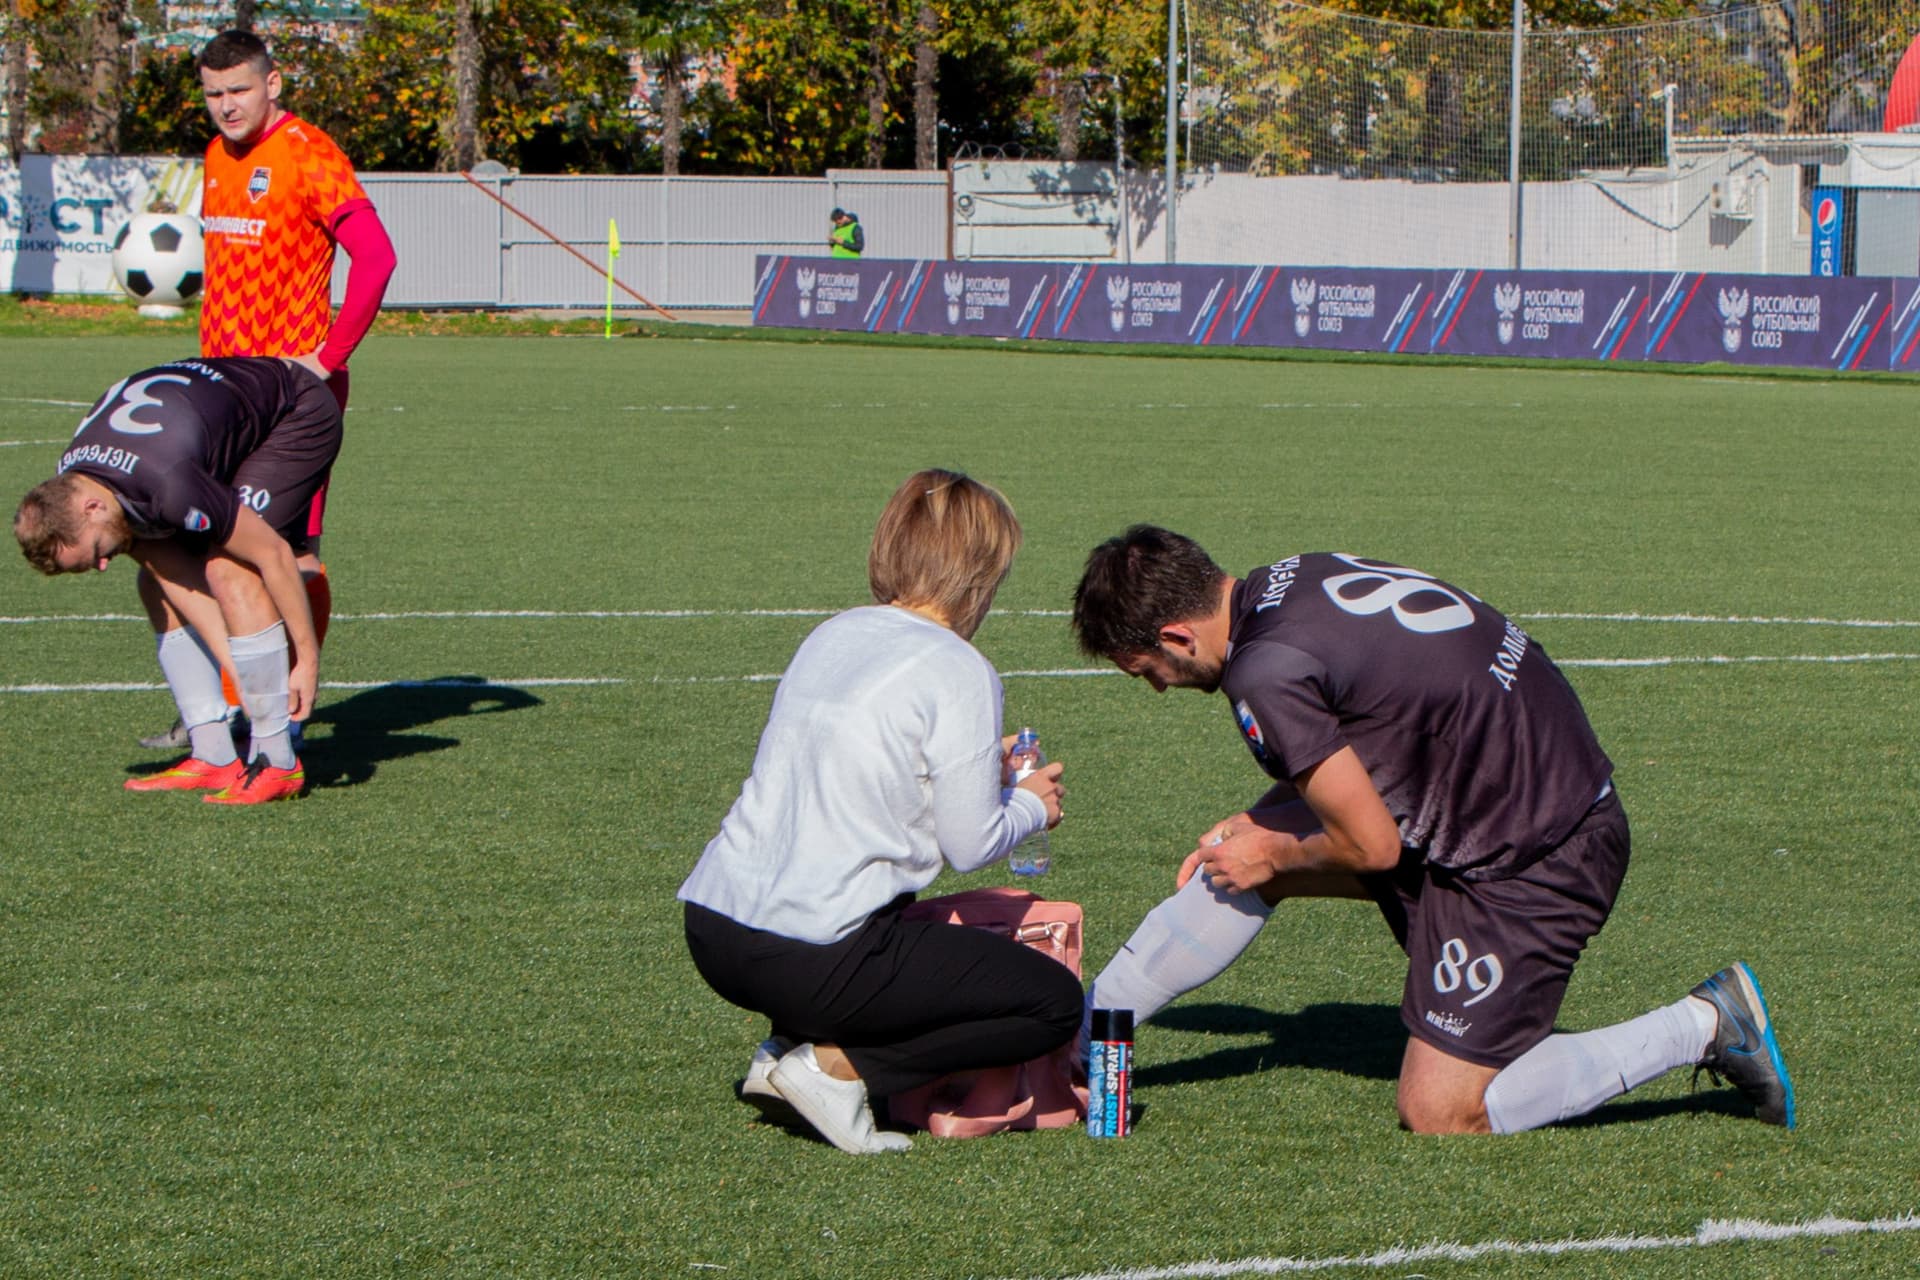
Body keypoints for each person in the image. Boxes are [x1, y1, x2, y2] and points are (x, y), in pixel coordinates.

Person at [1070, 526, 1795, 1134]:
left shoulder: (1264, 672)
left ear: (1176, 634)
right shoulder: (1293, 577)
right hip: (1507, 793)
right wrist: (1260, 830)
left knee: (1442, 1109)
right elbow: (1379, 717)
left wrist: (1270, 849)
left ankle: (1707, 1023)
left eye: (1148, 671)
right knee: (1237, 852)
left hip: (1536, 854)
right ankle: (1080, 1036)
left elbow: (1374, 847)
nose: (1157, 689)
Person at [679, 469, 1079, 1154]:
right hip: (812, 952)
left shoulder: (835, 633)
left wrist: (982, 764)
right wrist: (1030, 807)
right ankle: (835, 1068)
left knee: (899, 936)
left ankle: (791, 1046)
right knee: (1052, 1003)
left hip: (715, 926)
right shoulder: (959, 667)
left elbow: (869, 770)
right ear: (979, 576)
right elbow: (971, 840)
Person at [138, 28, 397, 752]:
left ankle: (285, 708)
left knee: (284, 554)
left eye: (239, 90)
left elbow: (376, 259)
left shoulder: (308, 153)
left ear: (273, 84)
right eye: (214, 94)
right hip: (220, 392)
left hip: (288, 398)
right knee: (196, 549)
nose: (226, 106)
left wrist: (328, 356)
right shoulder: (219, 154)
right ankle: (227, 712)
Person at [14, 356, 343, 805]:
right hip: (207, 424)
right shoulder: (79, 484)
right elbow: (168, 569)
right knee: (154, 582)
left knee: (231, 568)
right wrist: (236, 668)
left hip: (294, 413)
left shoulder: (166, 483)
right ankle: (213, 754)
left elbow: (275, 555)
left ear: (90, 508)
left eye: (95, 555)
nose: (104, 565)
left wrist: (304, 661)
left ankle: (277, 761)